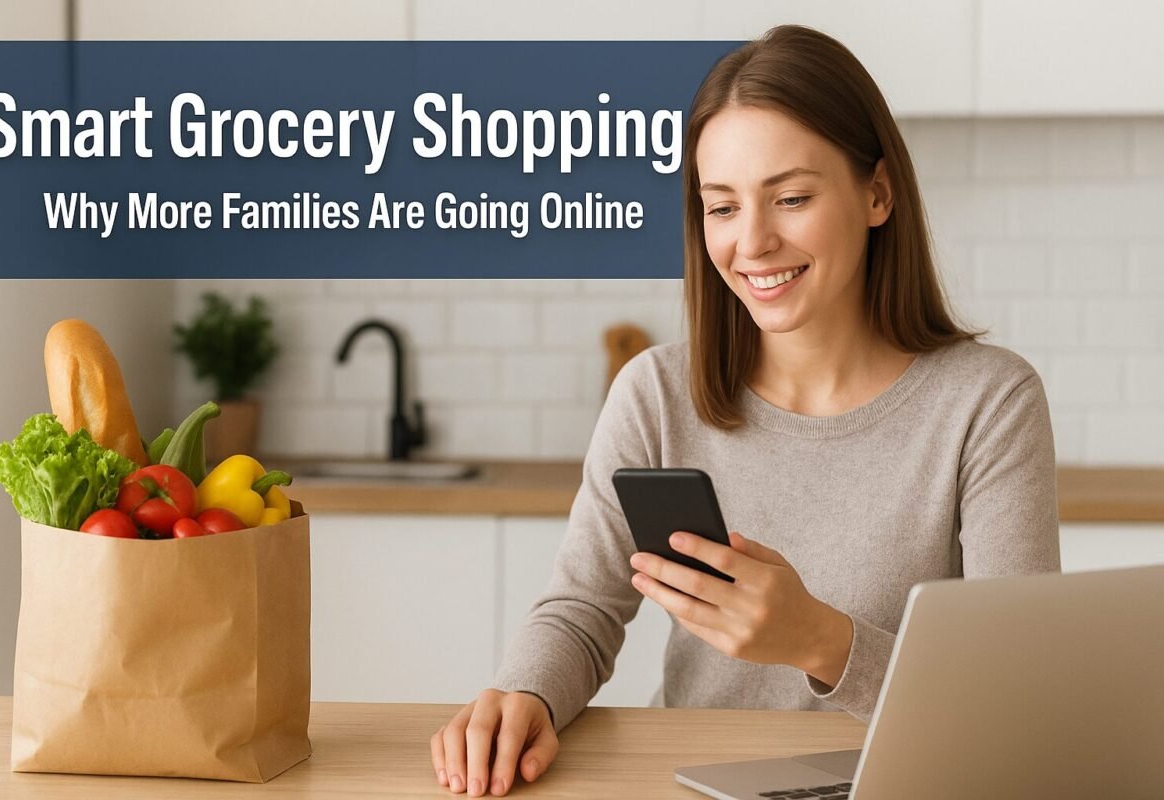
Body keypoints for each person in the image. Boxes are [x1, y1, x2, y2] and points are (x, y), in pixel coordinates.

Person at [429, 24, 1060, 797]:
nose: (752, 242)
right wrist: (524, 695)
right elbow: (584, 608)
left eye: (790, 198)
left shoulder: (988, 403)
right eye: (721, 207)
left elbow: (1019, 704)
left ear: (877, 192)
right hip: (694, 782)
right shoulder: (656, 393)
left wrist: (823, 642)